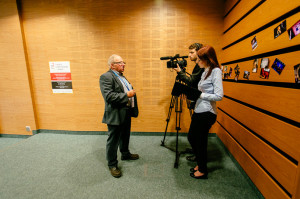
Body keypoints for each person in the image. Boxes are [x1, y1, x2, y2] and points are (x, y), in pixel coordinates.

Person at [99, 54, 139, 178]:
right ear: (112, 65)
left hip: (125, 111)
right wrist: (127, 95)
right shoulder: (106, 77)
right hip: (115, 114)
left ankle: (125, 153)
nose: (123, 64)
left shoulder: (121, 76)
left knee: (125, 135)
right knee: (113, 140)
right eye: (120, 63)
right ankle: (112, 164)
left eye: (123, 62)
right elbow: (109, 96)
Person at [188, 45, 223, 179]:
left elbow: (219, 96)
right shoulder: (205, 71)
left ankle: (202, 170)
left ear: (208, 59)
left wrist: (200, 95)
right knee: (192, 137)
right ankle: (200, 162)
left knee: (200, 141)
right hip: (199, 109)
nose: (197, 62)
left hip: (207, 112)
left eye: (199, 59)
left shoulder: (216, 71)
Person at [174, 43, 205, 162]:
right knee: (195, 134)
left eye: (192, 52)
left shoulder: (201, 65)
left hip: (202, 104)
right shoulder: (198, 65)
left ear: (199, 52)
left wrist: (180, 72)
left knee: (194, 134)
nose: (189, 55)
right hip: (198, 102)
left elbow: (192, 82)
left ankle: (198, 155)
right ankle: (196, 150)